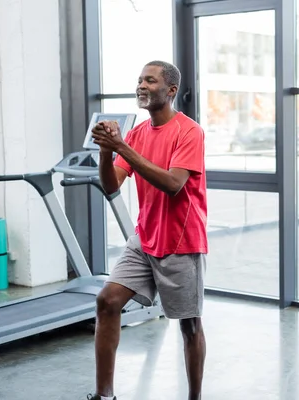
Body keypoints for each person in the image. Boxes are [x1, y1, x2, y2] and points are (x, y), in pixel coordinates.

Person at [86, 60, 208, 400]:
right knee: (107, 300)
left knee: (189, 325)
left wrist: (122, 147)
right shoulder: (138, 134)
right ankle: (104, 394)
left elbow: (173, 184)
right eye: (139, 80)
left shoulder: (189, 132)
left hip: (182, 241)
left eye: (150, 81)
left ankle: (194, 397)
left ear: (170, 91)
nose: (141, 85)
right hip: (144, 237)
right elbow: (112, 186)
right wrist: (105, 152)